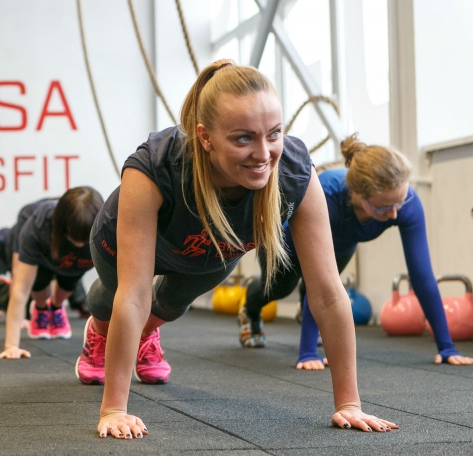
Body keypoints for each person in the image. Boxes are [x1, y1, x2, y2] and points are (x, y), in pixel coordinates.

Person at [78, 60, 398, 439]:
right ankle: (99, 334)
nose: (263, 153)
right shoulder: (155, 166)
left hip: (209, 250)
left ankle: (144, 335)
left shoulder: (295, 172)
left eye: (274, 134)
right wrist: (114, 410)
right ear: (205, 137)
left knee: (170, 304)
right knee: (113, 300)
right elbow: (133, 295)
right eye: (243, 138)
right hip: (122, 240)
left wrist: (349, 404)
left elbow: (328, 293)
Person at [241, 135, 473, 369]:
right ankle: (250, 310)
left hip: (341, 246)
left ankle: (308, 315)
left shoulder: (406, 203)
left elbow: (422, 276)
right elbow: (319, 284)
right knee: (280, 289)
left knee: (325, 286)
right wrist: (308, 354)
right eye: (384, 208)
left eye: (399, 204)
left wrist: (446, 347)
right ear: (357, 196)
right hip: (285, 244)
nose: (394, 214)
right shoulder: (327, 195)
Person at [0, 187, 103, 358]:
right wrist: (11, 345)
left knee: (69, 280)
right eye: (75, 238)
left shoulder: (108, 227)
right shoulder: (37, 229)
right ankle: (40, 309)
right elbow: (21, 289)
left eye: (83, 240)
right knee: (40, 281)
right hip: (45, 250)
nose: (78, 244)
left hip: (79, 253)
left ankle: (56, 308)